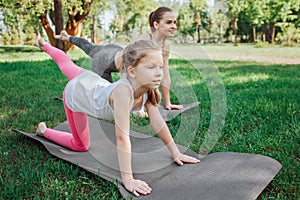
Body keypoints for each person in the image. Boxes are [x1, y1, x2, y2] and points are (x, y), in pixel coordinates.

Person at [35, 38, 200, 197]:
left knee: (68, 64)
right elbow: (122, 138)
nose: (159, 74)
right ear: (132, 71)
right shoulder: (123, 92)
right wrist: (128, 179)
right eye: (151, 67)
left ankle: (45, 45)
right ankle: (44, 131)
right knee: (81, 146)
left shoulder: (148, 89)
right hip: (76, 93)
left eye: (161, 67)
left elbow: (158, 123)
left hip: (92, 81)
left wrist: (176, 153)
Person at [54, 7, 183, 111]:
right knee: (105, 96)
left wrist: (168, 103)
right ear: (156, 24)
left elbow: (165, 75)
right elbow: (128, 73)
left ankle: (67, 37)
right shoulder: (143, 40)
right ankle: (72, 92)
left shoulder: (166, 46)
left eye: (174, 22)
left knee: (89, 46)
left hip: (114, 50)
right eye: (169, 22)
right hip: (105, 61)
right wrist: (140, 109)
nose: (174, 26)